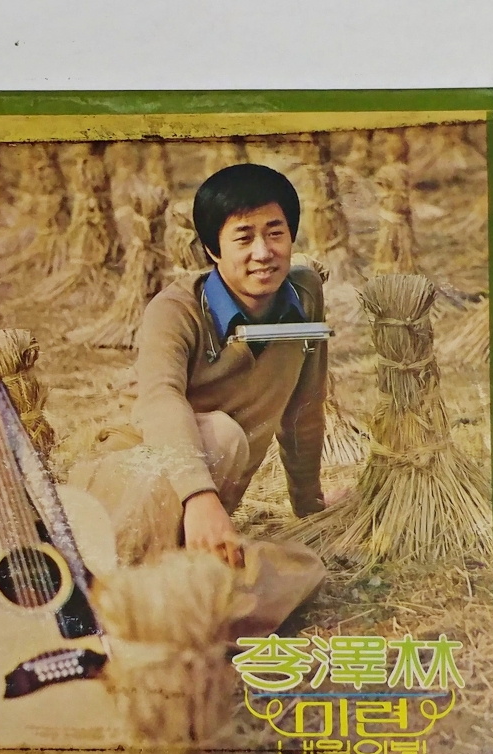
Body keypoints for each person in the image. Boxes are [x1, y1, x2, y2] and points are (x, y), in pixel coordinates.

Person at [69, 163, 327, 634]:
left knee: (303, 570)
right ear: (212, 249)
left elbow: (304, 407)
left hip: (203, 506)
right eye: (243, 238)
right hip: (137, 480)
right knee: (223, 434)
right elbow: (161, 400)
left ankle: (169, 603)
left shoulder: (305, 295)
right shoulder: (176, 310)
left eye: (275, 233)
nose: (263, 252)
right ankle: (111, 602)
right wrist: (199, 495)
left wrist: (310, 502)